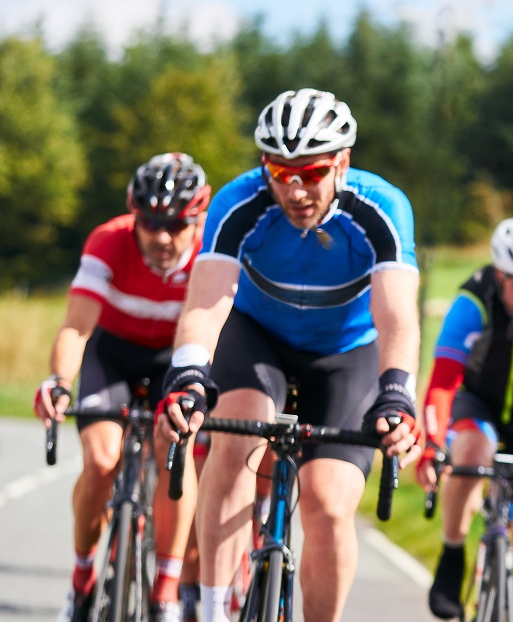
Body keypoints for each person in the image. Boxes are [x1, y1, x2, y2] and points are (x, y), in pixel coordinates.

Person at [154, 88, 421, 622]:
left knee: (326, 501)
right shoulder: (239, 201)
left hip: (345, 352)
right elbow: (206, 302)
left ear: (342, 163)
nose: (296, 189)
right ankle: (210, 611)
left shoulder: (382, 206)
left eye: (314, 172)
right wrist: (188, 371)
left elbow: (395, 313)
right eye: (281, 171)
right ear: (264, 166)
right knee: (236, 437)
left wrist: (397, 390)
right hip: (258, 338)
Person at [33, 152, 212, 622]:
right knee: (102, 461)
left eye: (176, 225)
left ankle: (165, 591)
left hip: (174, 364)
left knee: (176, 452)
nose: (161, 237)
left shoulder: (214, 249)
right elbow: (76, 327)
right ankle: (83, 576)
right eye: (149, 223)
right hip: (112, 356)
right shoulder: (109, 241)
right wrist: (58, 381)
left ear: (199, 217)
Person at [416, 212, 513, 621]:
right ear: (497, 274)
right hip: (479, 407)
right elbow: (441, 383)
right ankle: (453, 552)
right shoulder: (472, 300)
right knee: (473, 450)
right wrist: (432, 445)